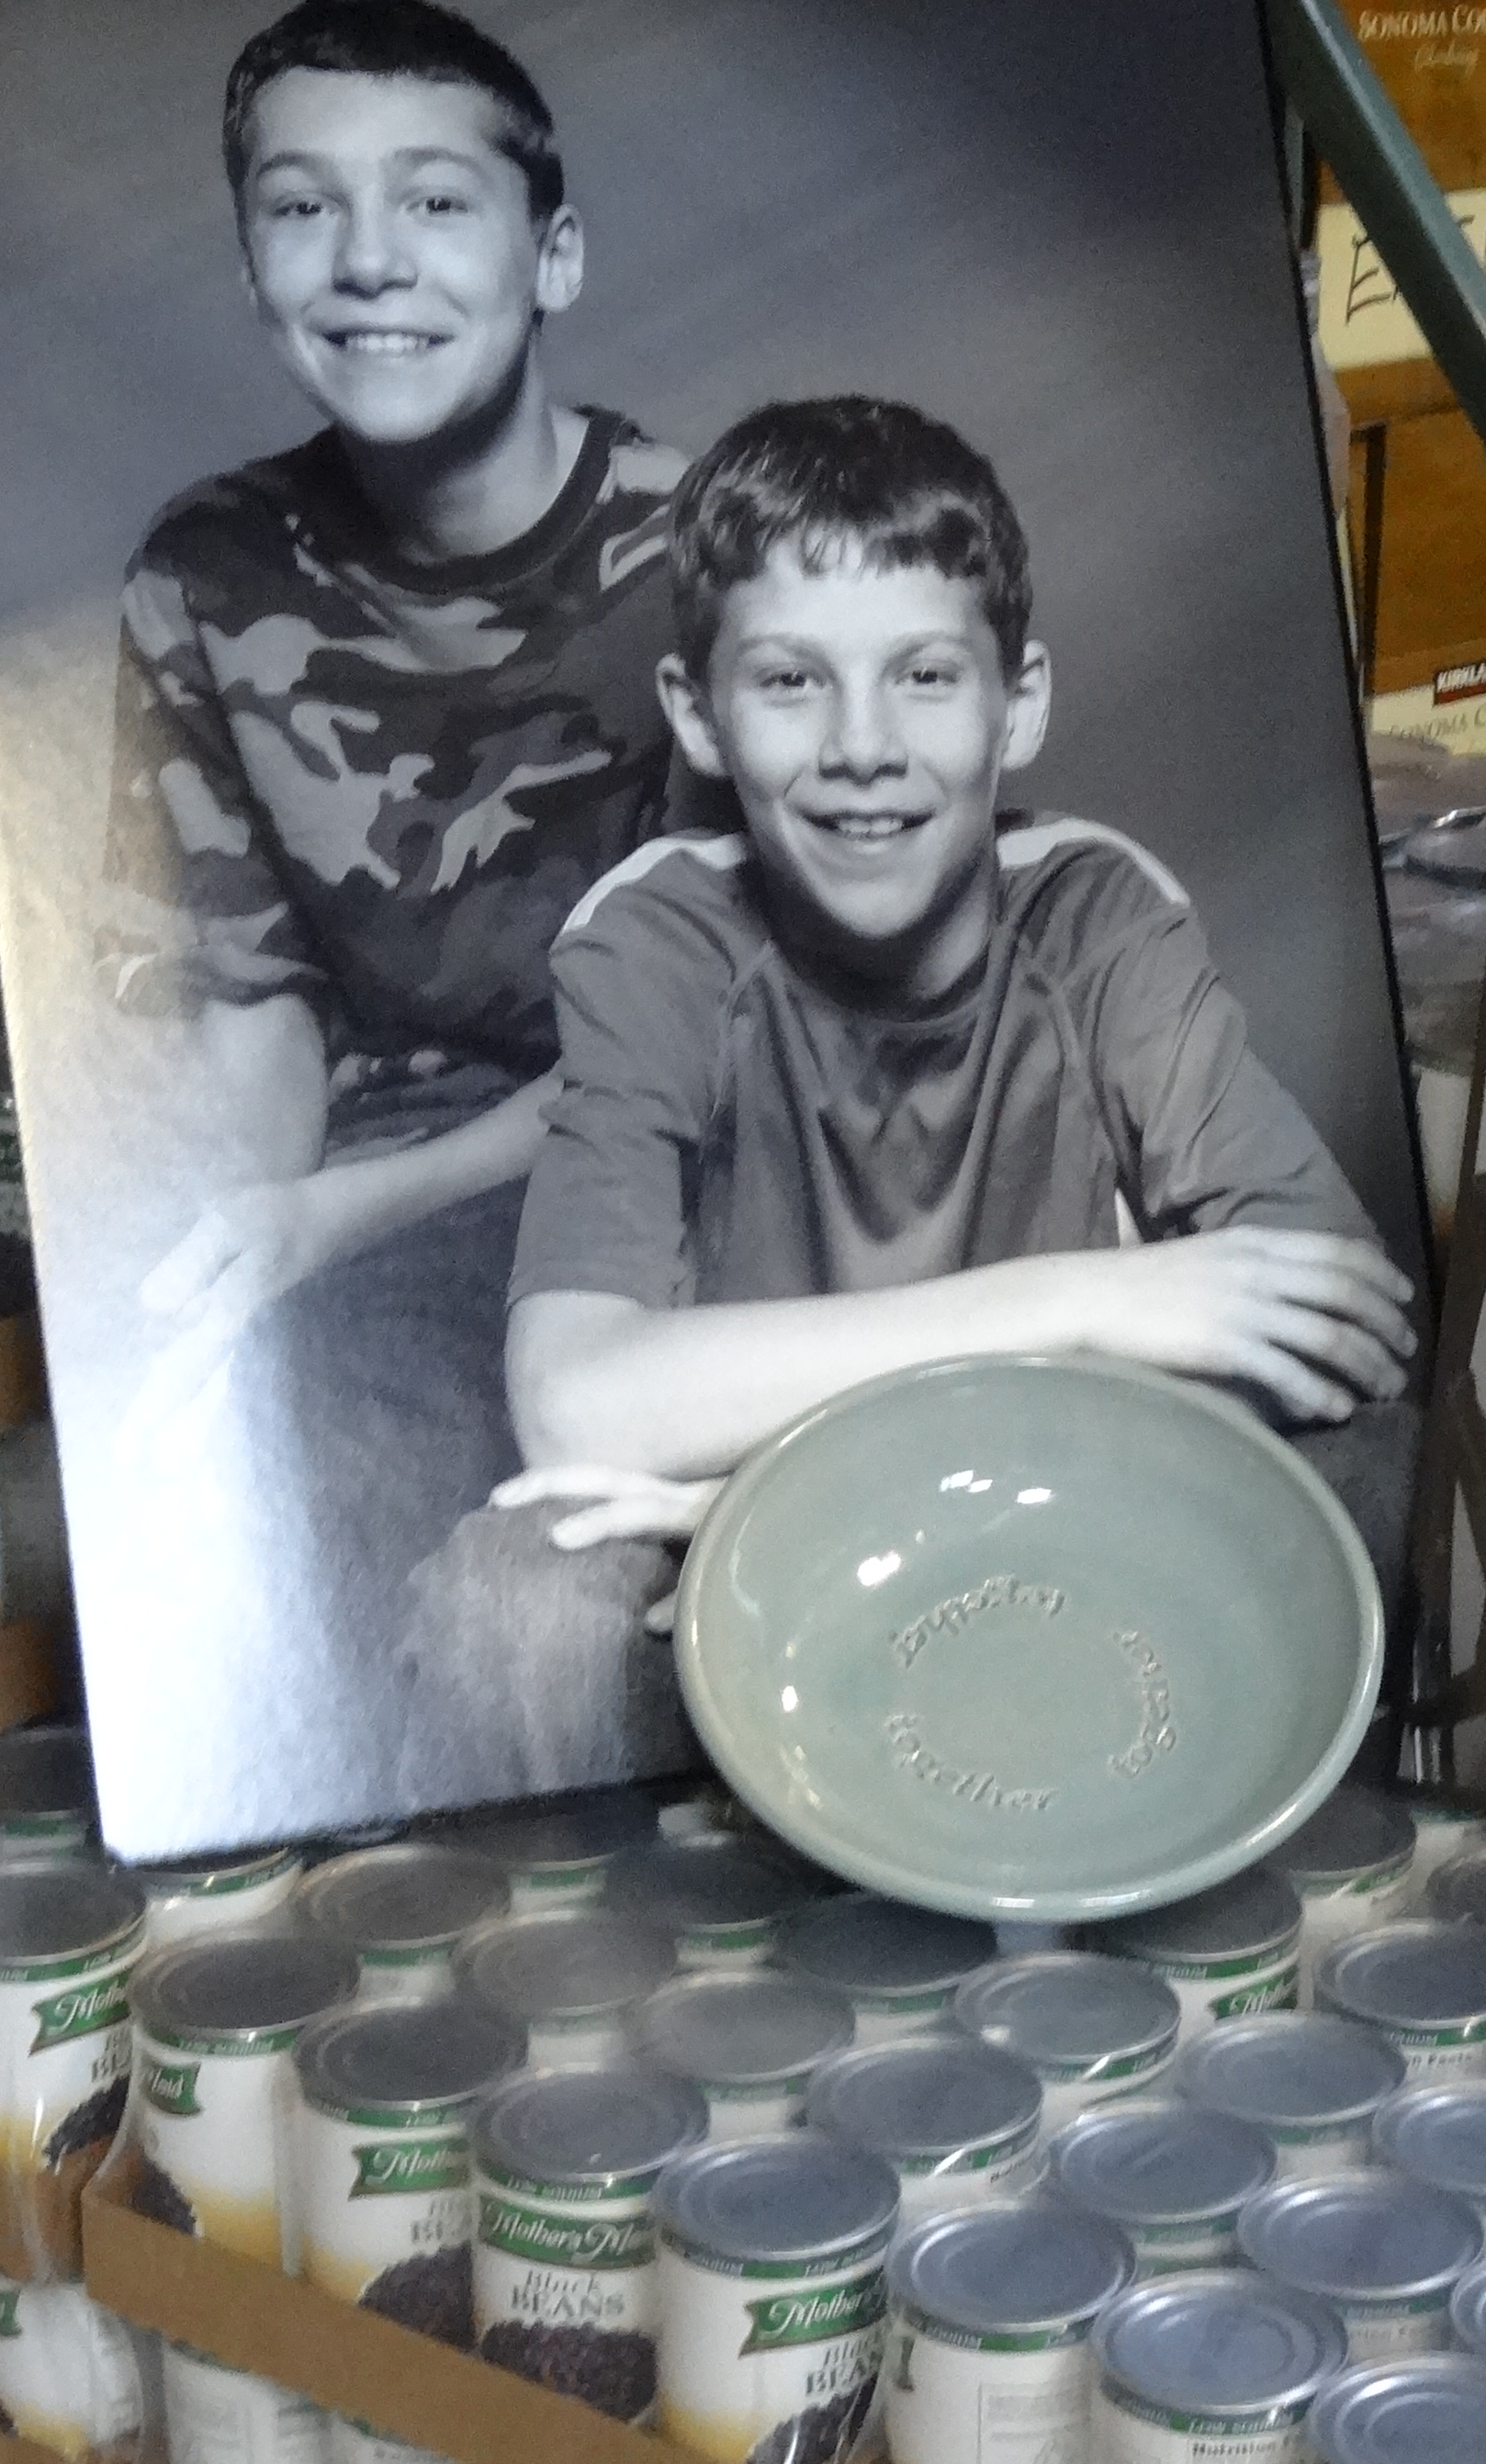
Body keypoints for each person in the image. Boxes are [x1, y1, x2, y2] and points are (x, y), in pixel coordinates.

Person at [407, 393, 1416, 1787]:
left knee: (1379, 1459)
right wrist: (1083, 1302)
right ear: (700, 718)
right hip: (743, 1551)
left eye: (926, 676)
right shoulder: (659, 940)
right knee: (519, 1601)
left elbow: (1342, 1317)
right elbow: (575, 1407)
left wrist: (872, 1492)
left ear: (1020, 703)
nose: (862, 746)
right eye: (790, 682)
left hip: (1060, 1521)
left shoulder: (1097, 917)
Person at [98, 0, 688, 1636]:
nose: (368, 261)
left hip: (665, 1176)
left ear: (553, 257)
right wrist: (239, 1262)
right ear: (251, 267)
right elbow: (250, 999)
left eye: (435, 202)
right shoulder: (203, 575)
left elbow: (690, 1048)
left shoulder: (709, 550)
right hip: (387, 1213)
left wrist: (328, 1219)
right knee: (238, 1488)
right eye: (303, 209)